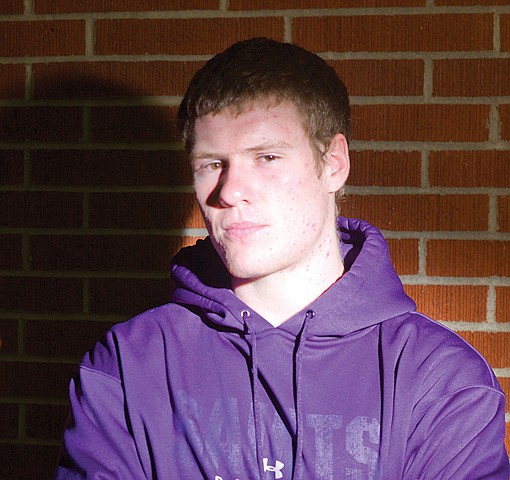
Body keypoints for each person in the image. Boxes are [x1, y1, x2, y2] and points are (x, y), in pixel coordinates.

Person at [55, 37, 509, 479]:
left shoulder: (440, 381)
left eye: (266, 157)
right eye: (211, 164)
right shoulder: (129, 365)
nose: (229, 192)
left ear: (333, 163)